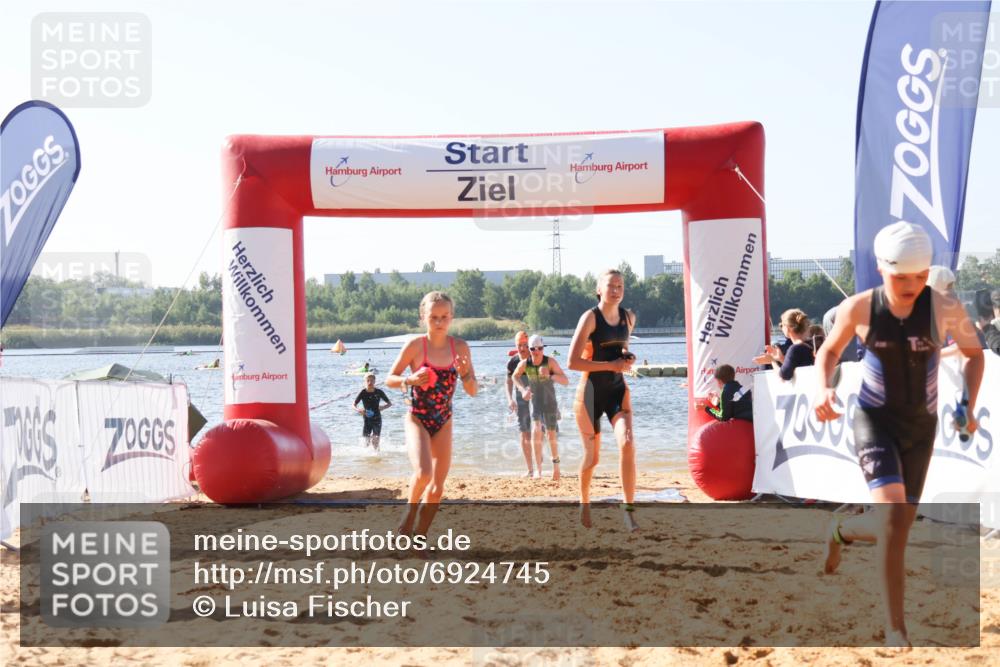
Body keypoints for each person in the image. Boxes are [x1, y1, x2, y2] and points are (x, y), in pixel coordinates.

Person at [813, 222, 984, 648]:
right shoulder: (860, 308)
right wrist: (823, 387)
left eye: (920, 276)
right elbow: (829, 351)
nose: (911, 285)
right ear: (881, 269)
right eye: (900, 276)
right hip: (874, 420)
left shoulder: (944, 308)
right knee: (892, 519)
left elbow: (974, 355)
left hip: (920, 428)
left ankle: (842, 532)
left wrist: (967, 403)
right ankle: (896, 630)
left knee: (898, 528)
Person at [386, 291, 477, 538]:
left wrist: (466, 373)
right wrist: (409, 379)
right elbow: (389, 379)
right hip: (417, 418)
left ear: (452, 317)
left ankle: (419, 537)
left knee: (437, 489)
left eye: (444, 317)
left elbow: (472, 390)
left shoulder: (460, 347)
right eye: (434, 317)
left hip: (444, 420)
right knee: (424, 473)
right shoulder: (416, 346)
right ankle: (408, 514)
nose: (439, 322)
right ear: (423, 317)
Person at [568, 269, 639, 532]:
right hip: (590, 394)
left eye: (620, 286)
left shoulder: (628, 318)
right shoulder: (590, 318)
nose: (616, 290)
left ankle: (629, 511)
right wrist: (611, 363)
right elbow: (572, 362)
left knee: (628, 443)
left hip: (617, 391)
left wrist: (627, 359)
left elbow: (622, 350)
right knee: (592, 458)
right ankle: (584, 501)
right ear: (599, 289)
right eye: (610, 286)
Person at [512, 334, 569, 480]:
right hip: (536, 402)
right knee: (536, 431)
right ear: (529, 349)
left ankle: (556, 468)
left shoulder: (550, 362)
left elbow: (565, 380)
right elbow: (515, 376)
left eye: (540, 348)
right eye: (533, 348)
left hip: (550, 403)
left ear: (543, 348)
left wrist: (550, 376)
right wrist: (523, 390)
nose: (536, 351)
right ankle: (538, 470)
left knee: (551, 436)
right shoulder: (525, 363)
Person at [752, 309, 814, 380]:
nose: (781, 327)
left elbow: (784, 375)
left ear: (787, 328)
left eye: (782, 325)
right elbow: (795, 367)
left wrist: (772, 361)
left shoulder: (794, 349)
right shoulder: (810, 345)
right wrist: (781, 358)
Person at [506, 331, 534, 477]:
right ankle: (530, 470)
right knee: (524, 434)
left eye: (525, 345)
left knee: (540, 433)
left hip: (538, 398)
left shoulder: (537, 359)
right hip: (521, 399)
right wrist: (510, 399)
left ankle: (541, 465)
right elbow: (509, 382)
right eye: (519, 346)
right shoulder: (512, 362)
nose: (522, 349)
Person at [353, 372, 392, 450]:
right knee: (366, 442)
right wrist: (358, 410)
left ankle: (377, 457)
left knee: (375, 441)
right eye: (368, 380)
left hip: (377, 418)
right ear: (365, 382)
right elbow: (353, 405)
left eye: (372, 380)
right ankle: (367, 460)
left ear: (375, 381)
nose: (370, 382)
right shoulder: (363, 392)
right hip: (367, 419)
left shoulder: (379, 392)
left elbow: (389, 403)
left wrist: (383, 407)